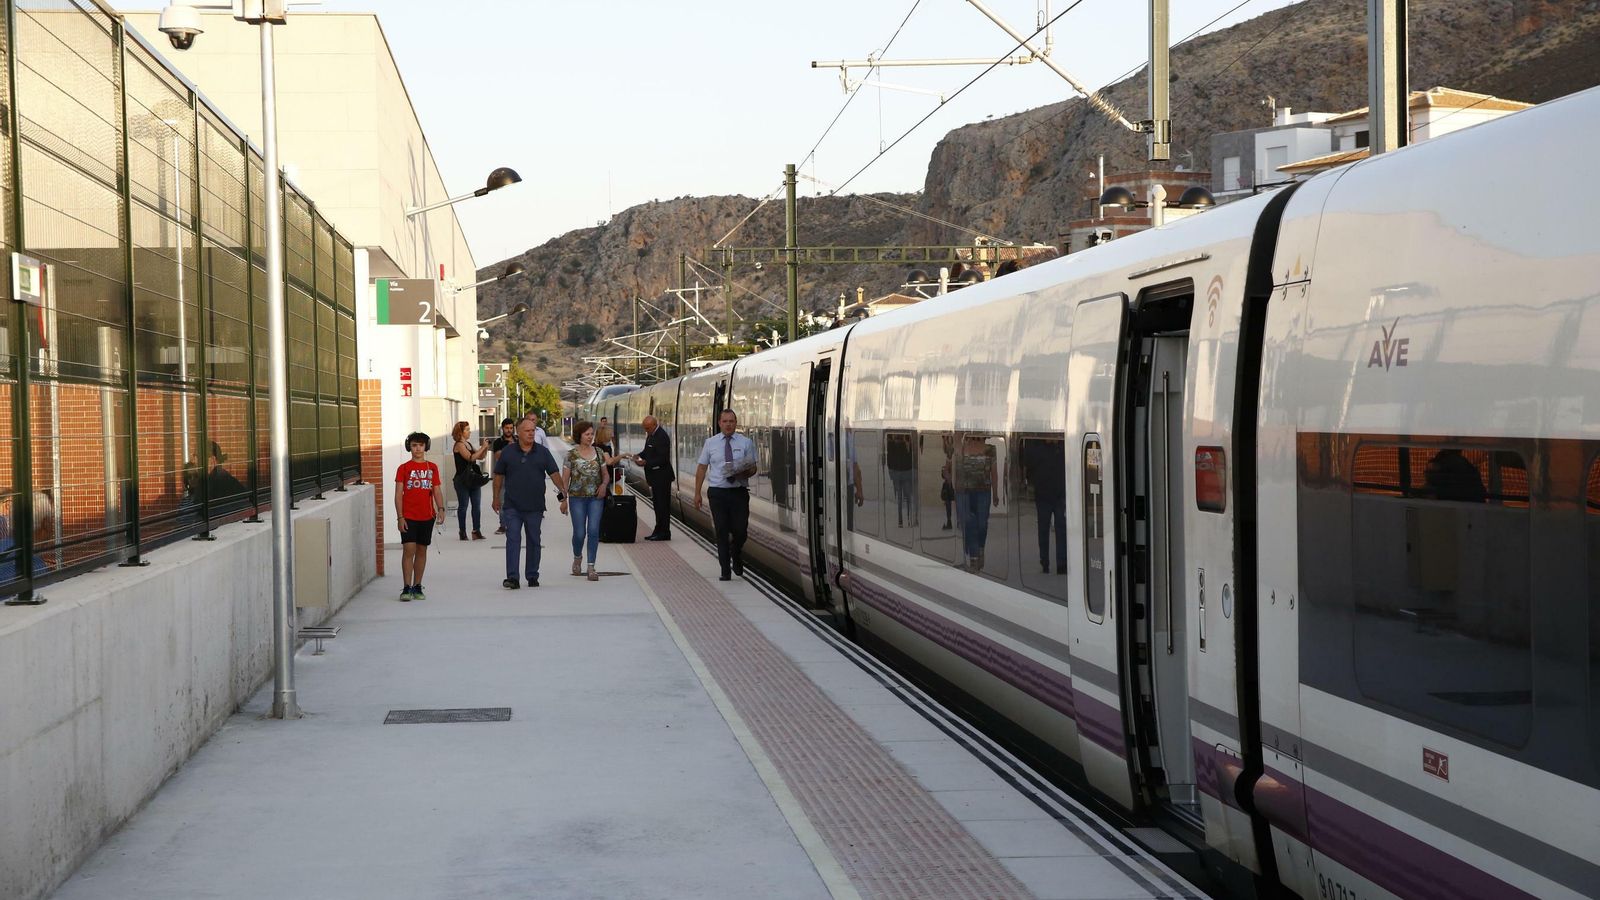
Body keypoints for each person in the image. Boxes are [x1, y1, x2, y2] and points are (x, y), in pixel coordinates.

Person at [493, 418, 567, 589]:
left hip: (535, 506)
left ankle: (532, 575)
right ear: (518, 433)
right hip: (512, 505)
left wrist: (563, 496)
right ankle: (513, 577)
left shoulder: (543, 452)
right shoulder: (508, 452)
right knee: (513, 539)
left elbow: (554, 474)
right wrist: (496, 498)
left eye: (533, 430)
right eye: (527, 431)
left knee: (534, 540)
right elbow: (498, 476)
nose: (531, 433)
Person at [693, 409, 757, 580]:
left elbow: (753, 467)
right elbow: (702, 468)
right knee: (721, 530)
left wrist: (744, 472)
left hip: (738, 493)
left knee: (740, 531)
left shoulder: (746, 443)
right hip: (717, 493)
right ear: (719, 423)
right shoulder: (710, 443)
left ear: (736, 423)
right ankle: (725, 570)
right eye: (725, 421)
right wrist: (697, 493)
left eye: (731, 421)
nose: (728, 424)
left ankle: (736, 552)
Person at [394, 432, 445, 601]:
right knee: (409, 549)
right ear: (409, 447)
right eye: (414, 445)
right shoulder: (403, 468)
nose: (418, 449)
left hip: (427, 516)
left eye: (421, 445)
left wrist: (441, 508)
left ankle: (417, 585)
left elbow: (436, 490)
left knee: (422, 550)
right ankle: (406, 587)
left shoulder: (432, 468)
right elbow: (398, 495)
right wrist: (400, 517)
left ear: (426, 447)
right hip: (408, 516)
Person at [563, 421, 611, 581]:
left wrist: (604, 485)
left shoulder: (598, 452)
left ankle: (591, 566)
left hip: (595, 498)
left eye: (592, 434)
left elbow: (605, 475)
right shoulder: (571, 455)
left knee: (593, 530)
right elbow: (565, 480)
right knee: (579, 533)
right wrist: (563, 500)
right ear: (579, 436)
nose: (590, 437)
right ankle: (577, 557)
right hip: (576, 498)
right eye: (587, 434)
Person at [953, 433, 999, 573]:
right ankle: (974, 558)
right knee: (969, 523)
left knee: (982, 524)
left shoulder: (990, 449)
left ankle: (980, 549)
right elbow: (955, 470)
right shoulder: (961, 447)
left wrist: (995, 493)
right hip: (964, 492)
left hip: (983, 492)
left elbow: (994, 473)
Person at [1021, 437, 1067, 574]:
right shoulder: (1037, 449)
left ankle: (1062, 563)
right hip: (1043, 496)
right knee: (1043, 529)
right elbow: (1028, 464)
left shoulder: (1062, 447)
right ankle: (1044, 561)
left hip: (1059, 495)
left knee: (1061, 529)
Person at [633, 414, 674, 540]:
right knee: (657, 505)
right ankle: (658, 530)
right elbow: (647, 452)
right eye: (645, 428)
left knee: (662, 505)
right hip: (655, 477)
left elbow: (663, 459)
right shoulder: (651, 435)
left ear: (654, 425)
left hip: (662, 477)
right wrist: (639, 456)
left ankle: (664, 532)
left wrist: (646, 463)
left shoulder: (662, 437)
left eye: (647, 428)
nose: (646, 431)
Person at [451, 421, 490, 541]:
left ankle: (476, 530)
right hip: (462, 480)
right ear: (460, 432)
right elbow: (470, 458)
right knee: (463, 506)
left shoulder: (468, 444)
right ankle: (462, 531)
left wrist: (485, 448)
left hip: (473, 479)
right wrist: (482, 448)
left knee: (476, 506)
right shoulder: (459, 445)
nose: (469, 432)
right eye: (467, 430)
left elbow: (480, 456)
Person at [490, 418, 516, 534]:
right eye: (507, 428)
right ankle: (503, 525)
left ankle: (514, 523)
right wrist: (510, 447)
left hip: (516, 474)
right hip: (502, 475)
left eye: (511, 428)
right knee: (501, 500)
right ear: (502, 428)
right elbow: (498, 456)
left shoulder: (518, 440)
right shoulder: (498, 442)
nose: (509, 430)